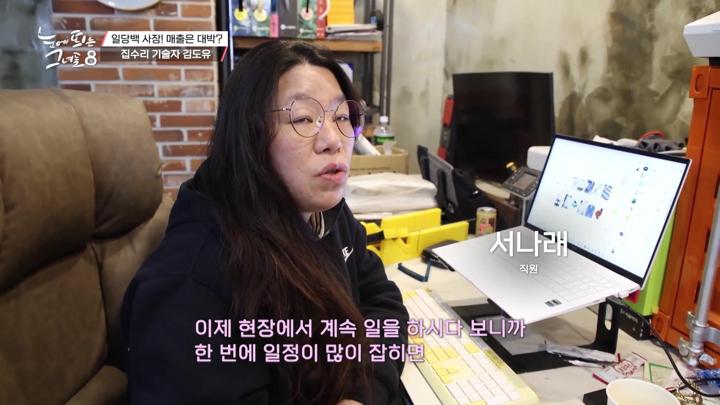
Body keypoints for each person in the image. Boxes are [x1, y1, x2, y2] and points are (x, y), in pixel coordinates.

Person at [120, 40, 409, 404]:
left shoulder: (322, 209)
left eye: (341, 117)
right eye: (303, 119)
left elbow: (381, 301)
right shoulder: (192, 286)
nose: (333, 141)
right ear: (249, 134)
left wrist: (363, 394)